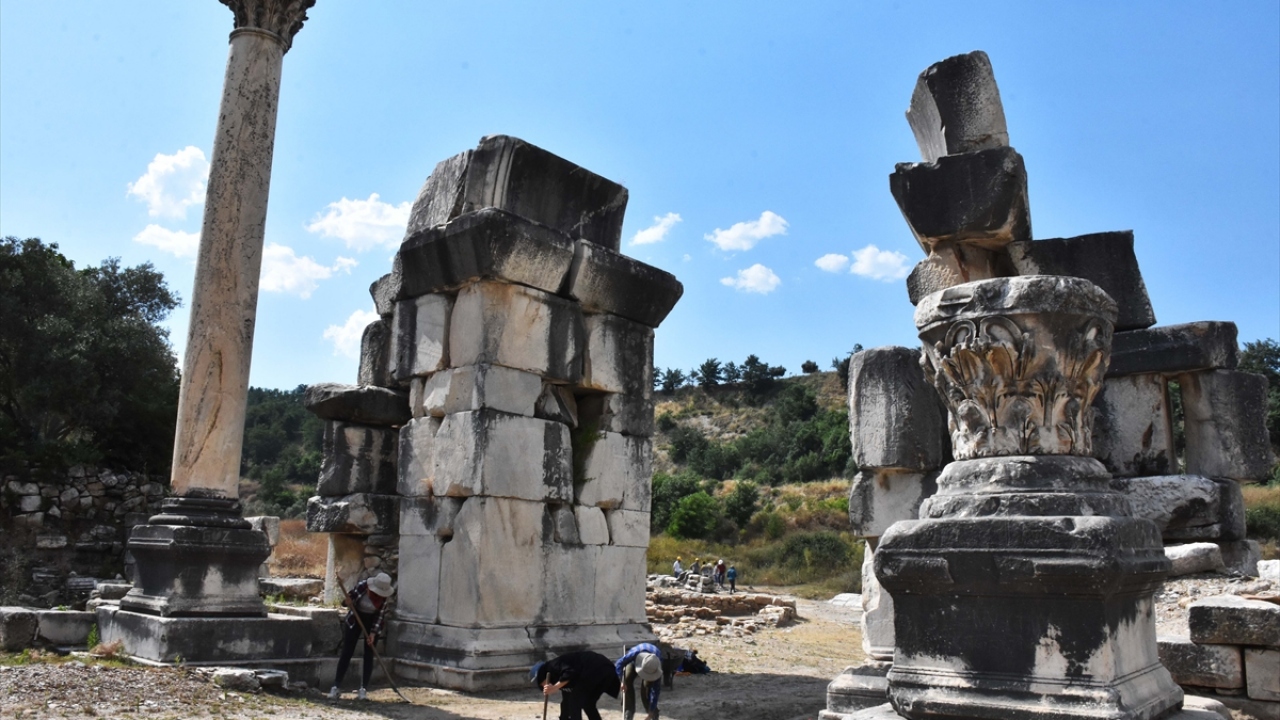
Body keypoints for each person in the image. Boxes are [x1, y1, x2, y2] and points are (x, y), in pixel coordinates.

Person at [330, 572, 394, 700]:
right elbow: (347, 600)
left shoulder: (383, 598)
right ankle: (336, 686)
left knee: (369, 654)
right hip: (356, 618)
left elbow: (379, 616)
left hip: (371, 623)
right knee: (347, 651)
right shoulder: (362, 587)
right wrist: (347, 601)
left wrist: (373, 634)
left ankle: (363, 689)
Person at [531, 651, 621, 720]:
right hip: (604, 670)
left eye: (542, 684)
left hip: (596, 668)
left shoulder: (553, 666)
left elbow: (570, 672)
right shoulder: (563, 683)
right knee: (587, 703)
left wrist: (555, 687)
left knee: (575, 702)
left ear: (541, 676)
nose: (544, 687)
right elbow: (565, 702)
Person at [616, 642, 663, 720]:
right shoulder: (634, 653)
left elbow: (655, 691)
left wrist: (651, 712)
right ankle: (629, 710)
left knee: (646, 688)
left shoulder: (656, 665)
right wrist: (622, 681)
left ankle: (652, 712)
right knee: (627, 679)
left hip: (650, 665)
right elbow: (619, 663)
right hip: (634, 662)